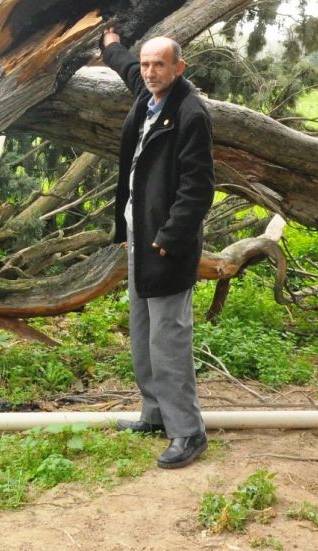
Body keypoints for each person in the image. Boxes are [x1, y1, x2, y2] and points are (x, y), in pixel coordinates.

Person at [101, 27, 215, 469]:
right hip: (140, 242)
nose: (149, 72)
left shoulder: (190, 114)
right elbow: (130, 70)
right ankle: (154, 414)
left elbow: (198, 191)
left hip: (166, 247)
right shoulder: (149, 96)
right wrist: (112, 46)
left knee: (169, 339)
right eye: (146, 64)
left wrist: (167, 240)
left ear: (178, 68)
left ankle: (187, 431)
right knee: (143, 333)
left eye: (159, 65)